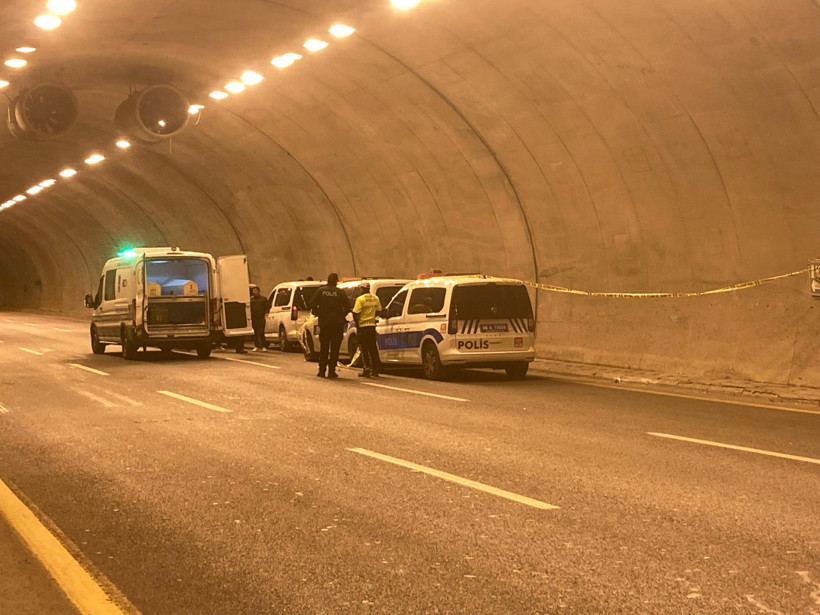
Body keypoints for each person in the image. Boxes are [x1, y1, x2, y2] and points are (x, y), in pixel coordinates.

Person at [308, 273, 351, 378]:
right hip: (337, 324)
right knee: (335, 349)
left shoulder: (321, 291)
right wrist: (341, 315)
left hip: (324, 323)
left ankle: (322, 371)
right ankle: (332, 371)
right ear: (336, 281)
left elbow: (312, 304)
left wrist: (319, 313)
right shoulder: (340, 292)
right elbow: (348, 306)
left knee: (324, 348)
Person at [351, 281, 383, 378]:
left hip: (362, 327)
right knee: (373, 348)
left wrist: (357, 322)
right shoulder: (375, 298)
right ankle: (375, 369)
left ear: (362, 289)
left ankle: (367, 369)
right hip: (372, 326)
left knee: (364, 349)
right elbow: (379, 311)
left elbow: (356, 313)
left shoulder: (360, 299)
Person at [249, 284, 268, 351]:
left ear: (258, 291)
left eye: (256, 291)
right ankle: (256, 345)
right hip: (254, 318)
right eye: (253, 291)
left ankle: (263, 346)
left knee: (261, 332)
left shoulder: (263, 299)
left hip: (261, 317)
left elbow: (267, 307)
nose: (254, 292)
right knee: (255, 332)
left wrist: (266, 315)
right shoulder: (251, 300)